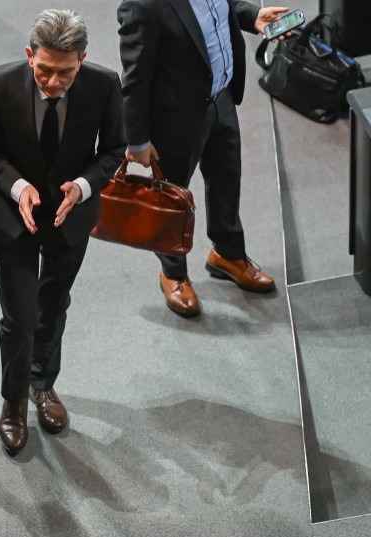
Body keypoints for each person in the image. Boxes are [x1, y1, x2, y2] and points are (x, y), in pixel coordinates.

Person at [0, 9, 125, 456]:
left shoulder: (104, 85)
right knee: (18, 318)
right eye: (44, 70)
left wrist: (82, 186)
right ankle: (14, 401)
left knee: (53, 307)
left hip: (69, 218)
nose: (53, 82)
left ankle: (43, 384)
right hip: (13, 219)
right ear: (29, 54)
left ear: (82, 59)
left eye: (65, 72)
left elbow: (114, 149)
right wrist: (17, 187)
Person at [117, 0, 288, 317]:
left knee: (227, 179)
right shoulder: (142, 6)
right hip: (175, 120)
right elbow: (135, 77)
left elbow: (221, 8)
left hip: (222, 100)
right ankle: (173, 274)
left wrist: (252, 16)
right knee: (171, 200)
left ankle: (228, 253)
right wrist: (137, 139)